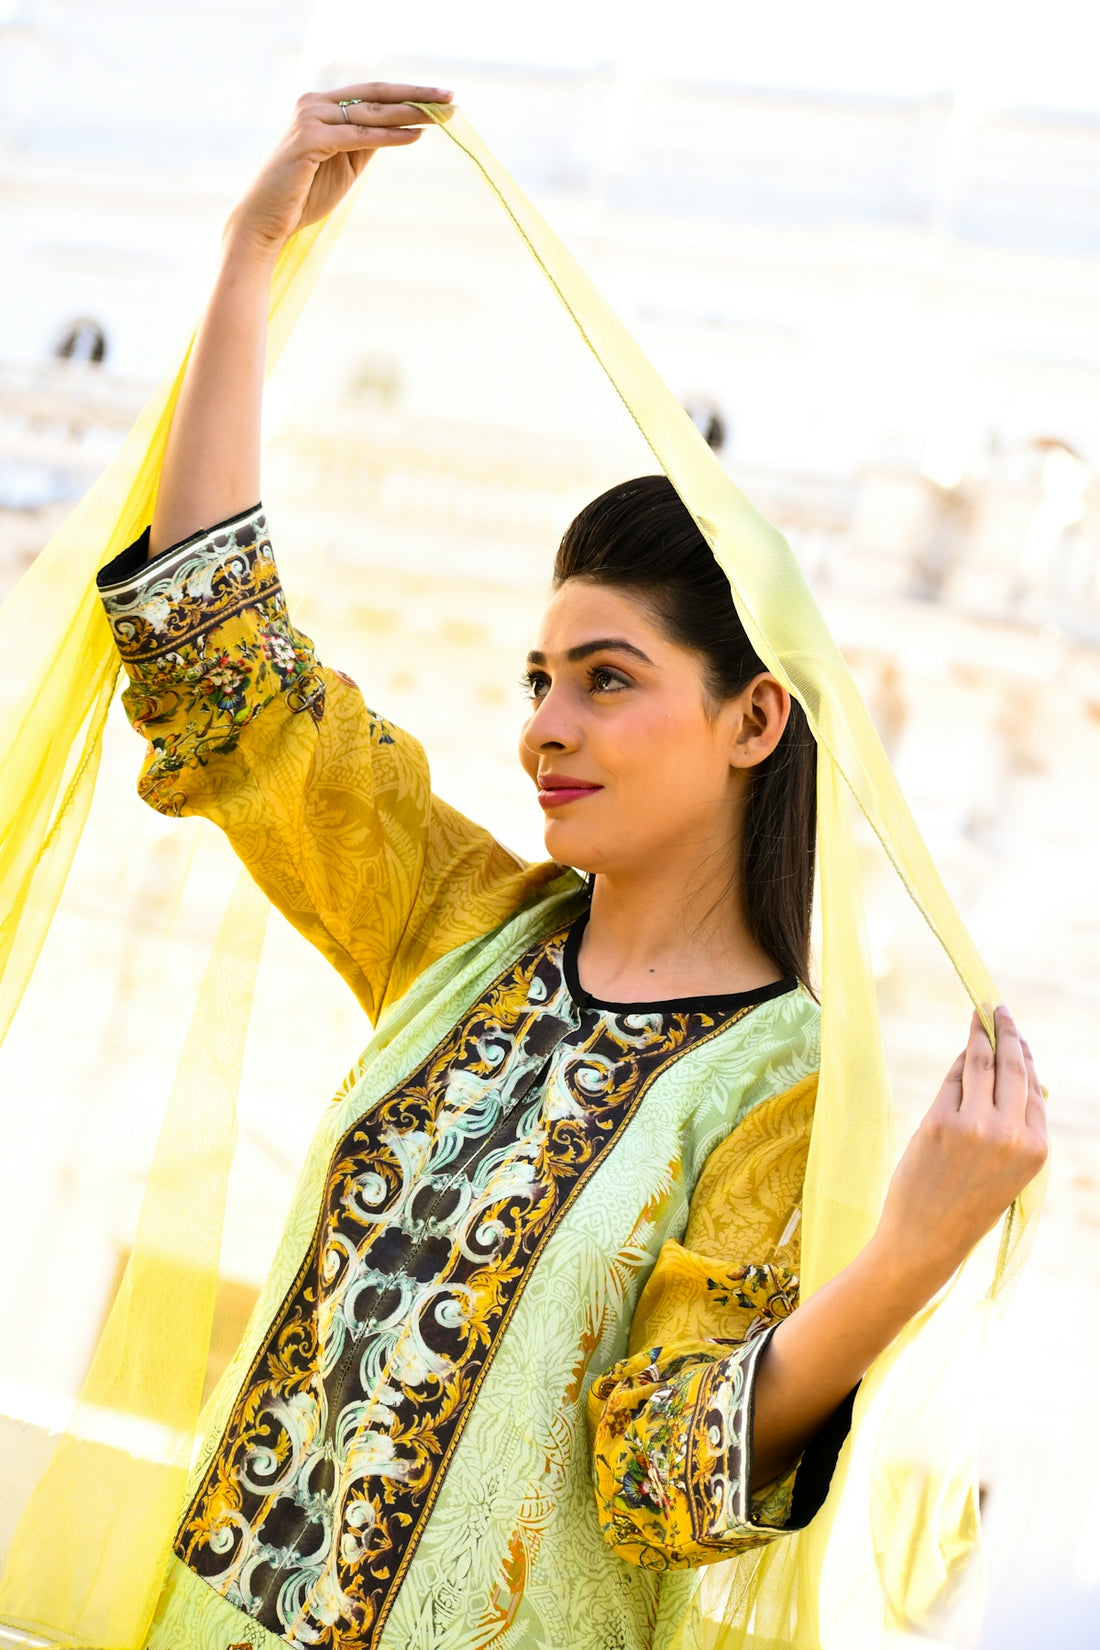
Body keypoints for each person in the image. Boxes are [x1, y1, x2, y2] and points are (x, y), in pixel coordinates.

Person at [93, 82, 1048, 1650]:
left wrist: (907, 1255)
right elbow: (221, 661)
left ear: (756, 718)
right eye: (538, 678)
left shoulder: (781, 1084)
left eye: (608, 679)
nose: (547, 723)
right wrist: (248, 260)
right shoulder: (459, 922)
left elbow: (658, 1481)